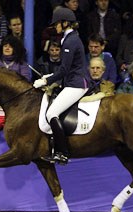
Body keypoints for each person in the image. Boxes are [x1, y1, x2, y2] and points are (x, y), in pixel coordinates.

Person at [33, 7, 90, 164]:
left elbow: (64, 70)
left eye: (57, 23)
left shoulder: (70, 41)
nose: (55, 27)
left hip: (76, 84)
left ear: (65, 23)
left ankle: (62, 153)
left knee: (52, 113)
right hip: (72, 81)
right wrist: (49, 76)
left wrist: (46, 81)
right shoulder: (69, 38)